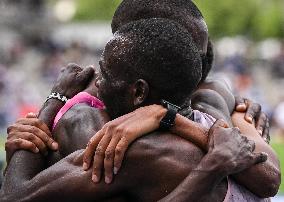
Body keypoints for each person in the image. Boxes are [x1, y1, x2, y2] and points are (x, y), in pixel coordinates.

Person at [1, 19, 279, 201]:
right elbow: (270, 181)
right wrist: (169, 117)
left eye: (107, 74)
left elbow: (15, 197)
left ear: (138, 92)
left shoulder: (131, 149)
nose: (98, 80)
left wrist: (54, 100)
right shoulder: (220, 107)